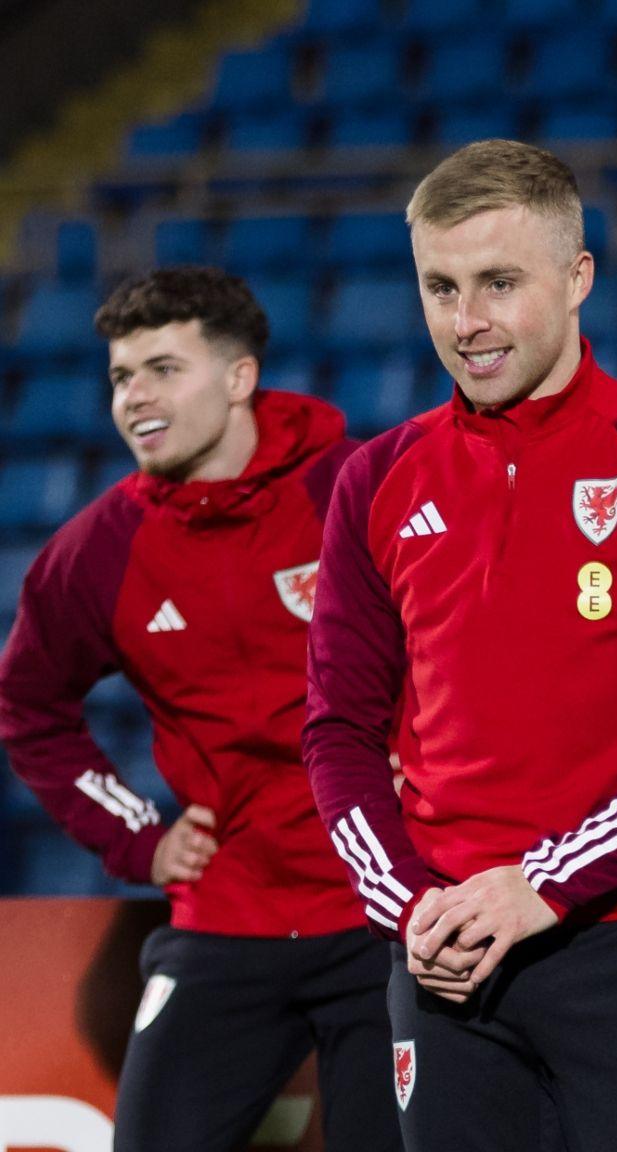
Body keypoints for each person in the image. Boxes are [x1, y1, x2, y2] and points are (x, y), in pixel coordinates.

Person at [302, 139, 617, 1152]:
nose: (466, 322)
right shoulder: (376, 481)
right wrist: (411, 906)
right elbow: (337, 731)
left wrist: (544, 885)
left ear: (577, 279)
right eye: (440, 288)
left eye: (499, 283)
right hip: (442, 963)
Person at [0, 267, 398, 1152]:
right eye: (121, 377)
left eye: (163, 370)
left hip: (384, 906)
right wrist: (137, 836)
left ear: (239, 377)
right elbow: (28, 707)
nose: (134, 398)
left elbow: (477, 633)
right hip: (229, 913)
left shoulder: (359, 487)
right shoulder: (97, 553)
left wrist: (436, 754)